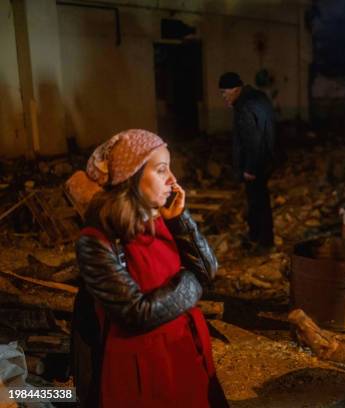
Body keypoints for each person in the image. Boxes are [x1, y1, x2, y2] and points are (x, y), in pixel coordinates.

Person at [69, 129, 228, 407]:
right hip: (141, 370)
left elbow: (208, 268)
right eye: (161, 170)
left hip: (183, 354)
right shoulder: (96, 240)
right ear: (130, 178)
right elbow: (135, 313)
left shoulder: (160, 220)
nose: (172, 180)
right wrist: (194, 284)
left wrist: (181, 221)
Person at [218, 72, 275, 251]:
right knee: (260, 201)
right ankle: (258, 236)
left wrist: (250, 168)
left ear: (235, 90)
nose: (223, 96)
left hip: (255, 164)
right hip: (266, 159)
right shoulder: (258, 97)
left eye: (224, 92)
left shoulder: (244, 106)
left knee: (257, 202)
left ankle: (262, 241)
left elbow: (253, 139)